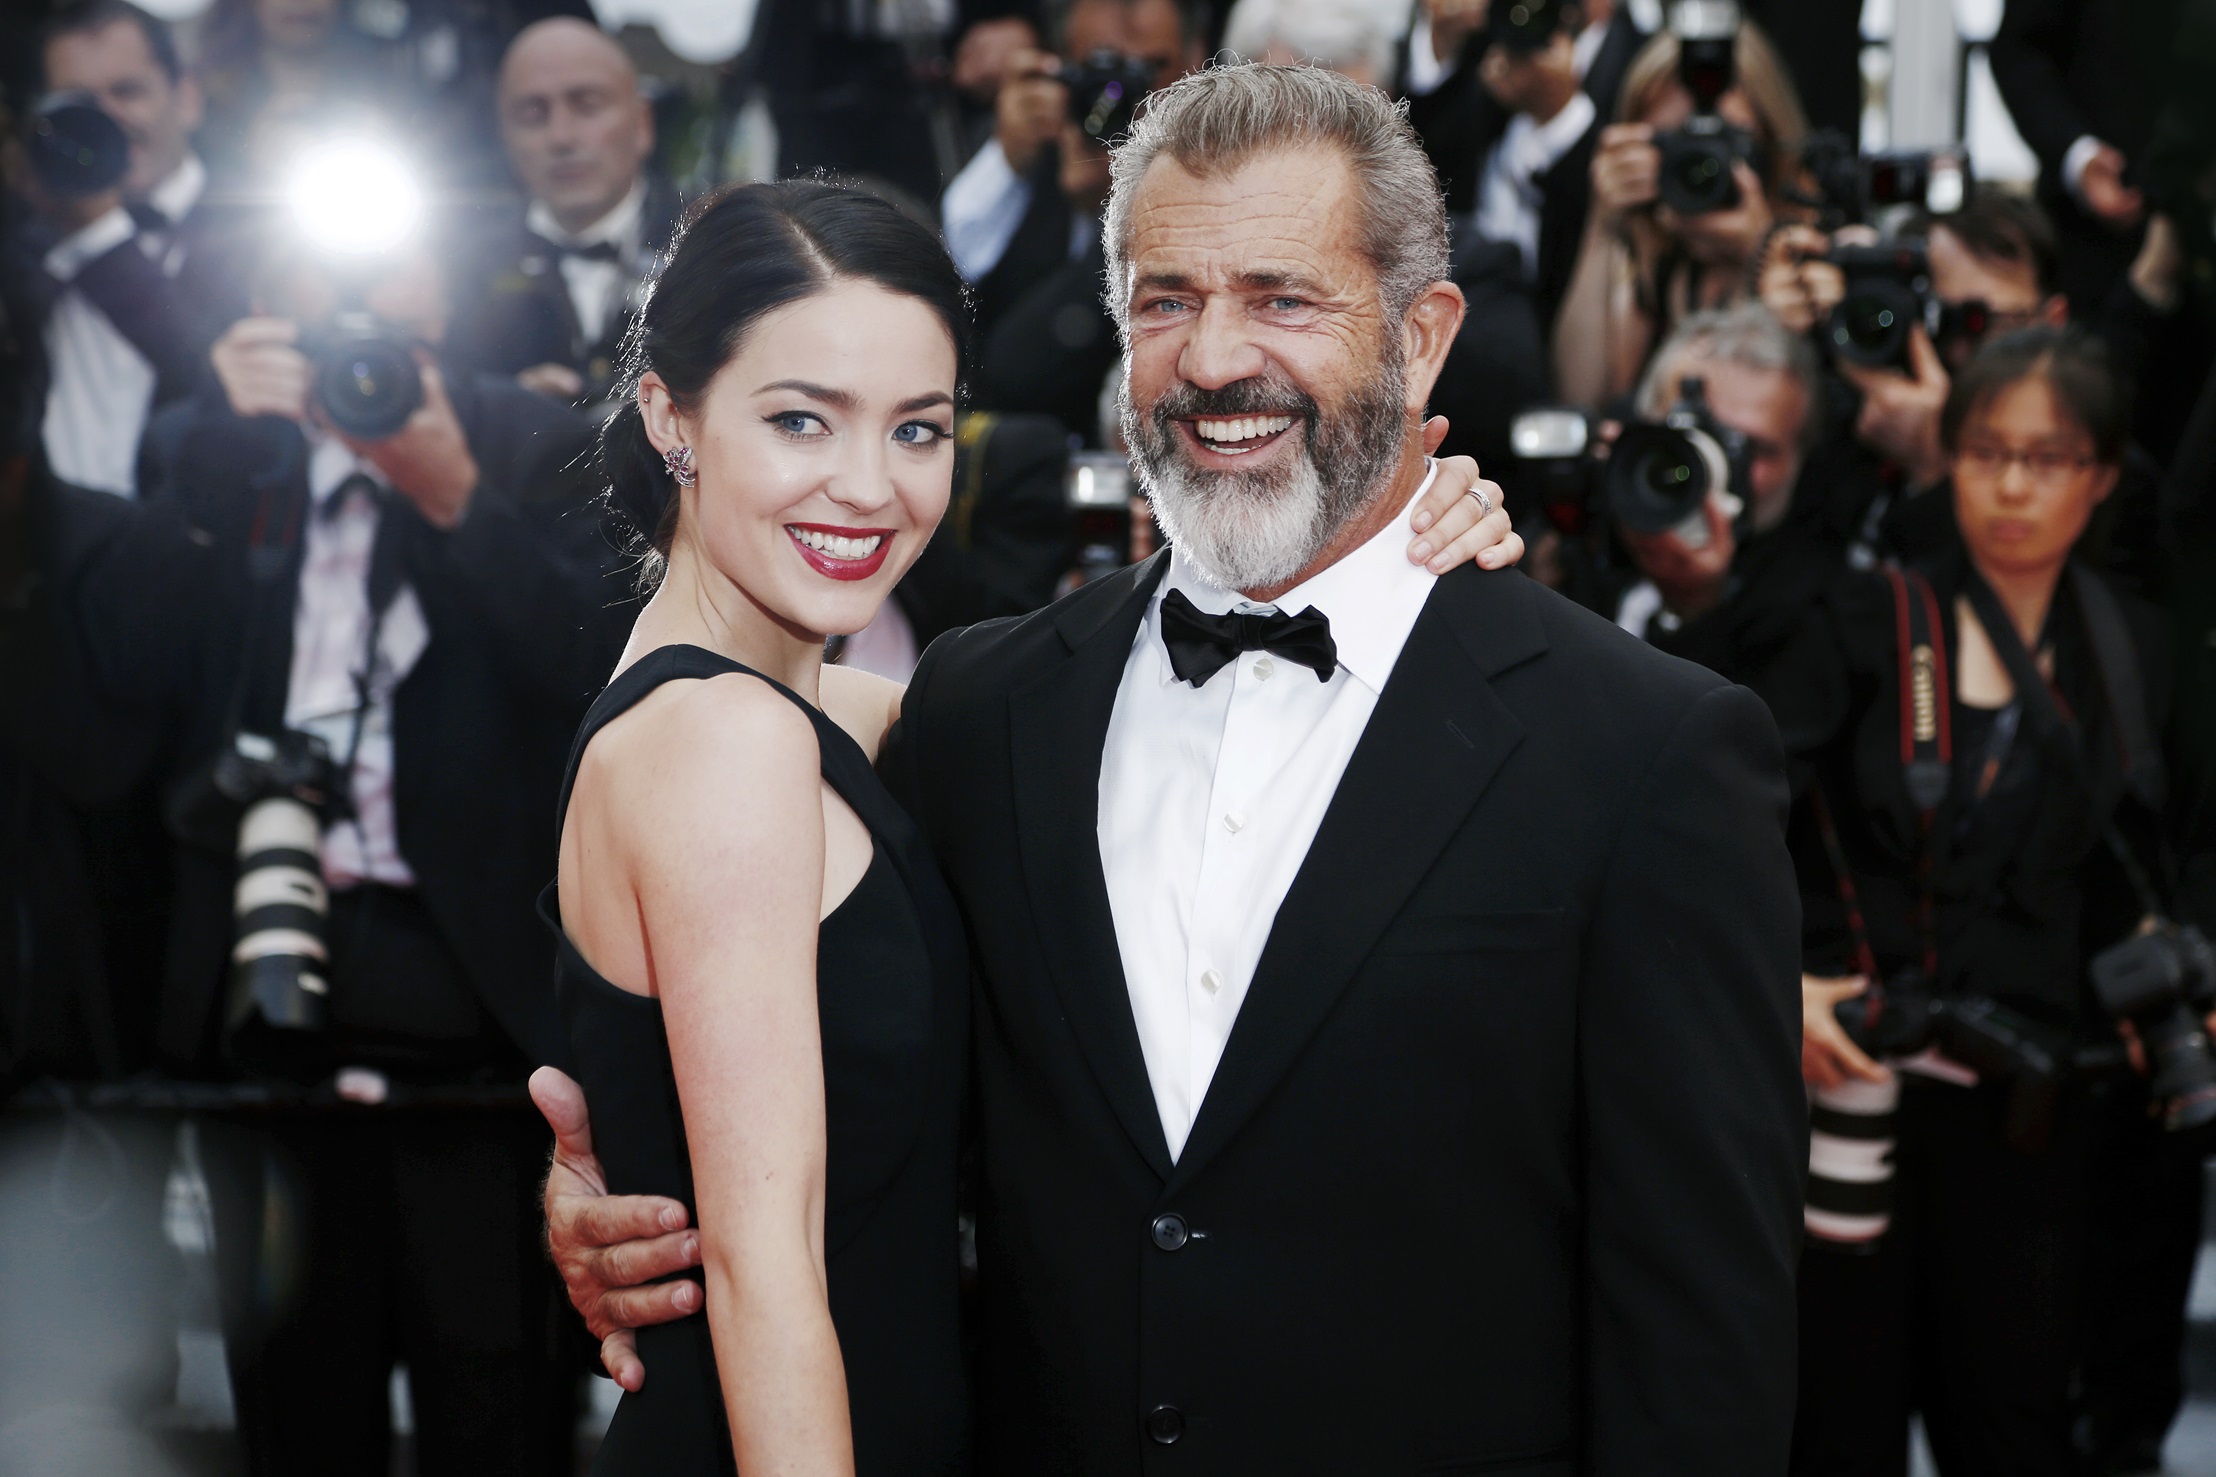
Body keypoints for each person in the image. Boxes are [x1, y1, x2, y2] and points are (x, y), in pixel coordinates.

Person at [540, 64, 1803, 1473]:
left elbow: (1705, 1354)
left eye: (1284, 297)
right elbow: (741, 898)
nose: (1211, 360)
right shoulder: (979, 708)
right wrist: (628, 1175)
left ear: (1422, 338)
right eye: (1164, 301)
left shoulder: (1643, 751)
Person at [62, 217, 625, 1474]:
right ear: (268, 290)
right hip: (265, 1002)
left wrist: (451, 494)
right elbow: (127, 696)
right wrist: (227, 438)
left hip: (480, 1012)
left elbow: (598, 677)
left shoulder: (535, 440)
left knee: (497, 1402)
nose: (362, 294)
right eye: (327, 263)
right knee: (294, 1405)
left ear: (446, 282)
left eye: (395, 256)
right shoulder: (217, 450)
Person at [1787, 327, 2172, 1477]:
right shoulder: (1864, 622)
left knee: (2010, 1422)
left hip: (2033, 1118)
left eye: (2047, 457)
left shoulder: (2136, 654)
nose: (2011, 485)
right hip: (1851, 1082)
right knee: (1831, 1420)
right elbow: (1734, 812)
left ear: (2099, 476)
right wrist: (1784, 976)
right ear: (1946, 457)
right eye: (1986, 450)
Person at [942, 0, 1203, 441]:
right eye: (1100, 74)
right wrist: (1007, 157)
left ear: (1197, 62)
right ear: (1059, 68)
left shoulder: (1221, 173)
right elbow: (955, 262)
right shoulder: (1035, 150)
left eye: (1150, 69)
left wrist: (1117, 216)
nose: (1120, 96)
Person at [28, 0, 249, 498]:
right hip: (57, 555)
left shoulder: (258, 229)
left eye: (127, 92)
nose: (107, 122)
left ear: (186, 98)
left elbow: (210, 375)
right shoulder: (28, 237)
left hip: (196, 546)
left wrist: (100, 234)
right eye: (78, 104)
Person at [1551, 16, 1809, 409]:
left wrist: (1762, 253)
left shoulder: (1815, 258)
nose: (1700, 166)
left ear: (1772, 142)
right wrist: (1603, 225)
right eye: (1679, 143)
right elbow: (1579, 394)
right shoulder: (1642, 267)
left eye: (1723, 141)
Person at [1603, 304, 1859, 695]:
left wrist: (1696, 612)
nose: (1714, 463)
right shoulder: (1594, 524)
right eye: (1696, 431)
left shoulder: (1825, 611)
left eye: (1752, 449)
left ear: (1799, 461)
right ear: (1643, 421)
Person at [447, 18, 681, 406]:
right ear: (504, 135)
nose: (562, 137)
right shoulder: (460, 265)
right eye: (533, 114)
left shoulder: (706, 240)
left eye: (587, 106)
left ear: (642, 123)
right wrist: (509, 411)